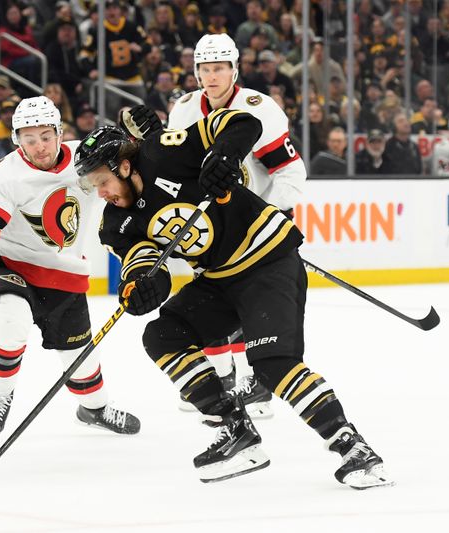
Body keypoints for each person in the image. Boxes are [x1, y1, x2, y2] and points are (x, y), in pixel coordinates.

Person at [73, 119, 392, 489]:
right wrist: (143, 288)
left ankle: (353, 449)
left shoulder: (164, 150)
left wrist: (223, 155)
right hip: (219, 279)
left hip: (268, 260)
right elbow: (144, 264)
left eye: (102, 181)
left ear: (124, 166)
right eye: (93, 186)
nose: (101, 193)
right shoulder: (115, 223)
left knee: (272, 365)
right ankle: (236, 429)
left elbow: (244, 123)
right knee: (163, 335)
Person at [0, 96, 140, 437]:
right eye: (29, 139)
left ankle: (94, 409)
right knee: (9, 318)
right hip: (10, 265)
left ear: (59, 133)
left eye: (45, 136)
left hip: (64, 274)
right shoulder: (5, 174)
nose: (39, 147)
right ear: (17, 139)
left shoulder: (86, 159)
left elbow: (133, 169)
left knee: (79, 358)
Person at [166, 33, 306, 417]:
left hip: (255, 224)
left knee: (253, 304)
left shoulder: (259, 108)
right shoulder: (183, 110)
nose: (211, 77)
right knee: (210, 299)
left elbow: (291, 170)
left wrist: (274, 211)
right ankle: (224, 377)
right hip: (212, 227)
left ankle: (257, 384)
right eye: (205, 69)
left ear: (234, 69)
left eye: (219, 68)